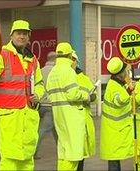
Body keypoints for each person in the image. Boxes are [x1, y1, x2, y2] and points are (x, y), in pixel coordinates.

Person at [0, 19, 45, 170]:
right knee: (10, 160)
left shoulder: (32, 59)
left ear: (29, 37)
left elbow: (40, 83)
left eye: (25, 34)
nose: (22, 36)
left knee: (27, 160)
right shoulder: (2, 54)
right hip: (9, 118)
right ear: (11, 36)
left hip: (28, 117)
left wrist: (38, 95)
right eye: (19, 33)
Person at [46, 42, 91, 170]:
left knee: (64, 153)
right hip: (72, 118)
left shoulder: (53, 72)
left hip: (59, 116)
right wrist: (86, 95)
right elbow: (73, 95)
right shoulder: (69, 71)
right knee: (73, 154)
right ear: (70, 55)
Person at [100, 57, 134, 171]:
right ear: (120, 73)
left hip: (114, 129)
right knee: (114, 160)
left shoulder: (117, 83)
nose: (127, 73)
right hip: (115, 129)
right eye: (125, 71)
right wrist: (129, 91)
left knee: (114, 159)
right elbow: (119, 101)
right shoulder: (113, 86)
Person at [34, 51, 58, 159]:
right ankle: (33, 152)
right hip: (50, 105)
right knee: (42, 130)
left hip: (40, 104)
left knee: (56, 129)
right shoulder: (56, 71)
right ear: (56, 60)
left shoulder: (40, 71)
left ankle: (61, 149)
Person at [74, 66, 97, 171]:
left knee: (80, 152)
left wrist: (89, 97)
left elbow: (94, 97)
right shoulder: (65, 76)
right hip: (70, 118)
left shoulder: (84, 78)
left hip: (83, 118)